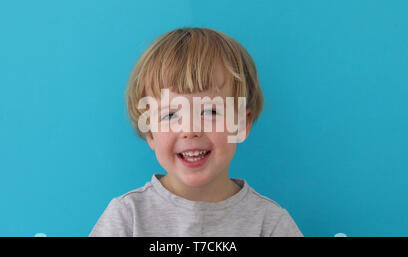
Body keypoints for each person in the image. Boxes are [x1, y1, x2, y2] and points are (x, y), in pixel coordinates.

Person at [89, 27, 303, 237]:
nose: (190, 130)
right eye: (170, 115)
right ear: (151, 133)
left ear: (240, 124)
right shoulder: (127, 217)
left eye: (209, 111)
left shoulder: (270, 223)